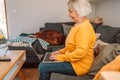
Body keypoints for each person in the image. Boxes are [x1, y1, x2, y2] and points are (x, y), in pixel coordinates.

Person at [38, 0, 96, 80]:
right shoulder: (78, 25)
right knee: (45, 61)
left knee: (43, 67)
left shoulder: (84, 29)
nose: (69, 15)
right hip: (73, 61)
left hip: (79, 66)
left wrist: (61, 57)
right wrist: (60, 51)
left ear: (79, 11)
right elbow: (71, 46)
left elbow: (80, 53)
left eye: (71, 12)